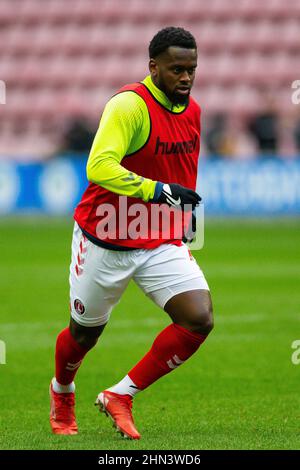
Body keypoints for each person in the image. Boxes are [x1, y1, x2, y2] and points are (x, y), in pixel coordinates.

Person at [49, 26, 214, 440]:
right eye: (177, 69)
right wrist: (157, 191)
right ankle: (62, 390)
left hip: (158, 238)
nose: (186, 77)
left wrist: (183, 222)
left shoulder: (191, 110)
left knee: (198, 318)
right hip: (105, 236)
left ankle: (120, 395)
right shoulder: (129, 106)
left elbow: (181, 177)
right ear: (153, 67)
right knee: (84, 335)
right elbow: (99, 166)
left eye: (191, 69)